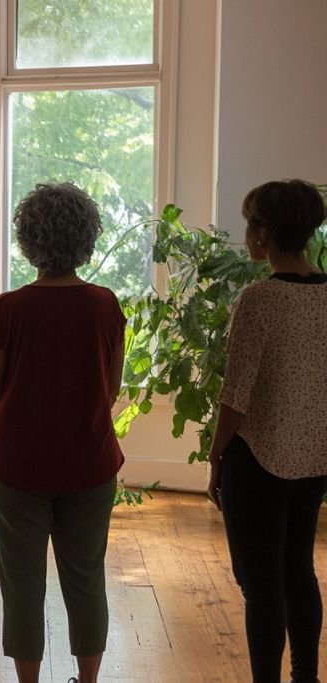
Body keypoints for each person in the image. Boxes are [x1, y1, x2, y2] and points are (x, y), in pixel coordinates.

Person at [0, 183, 125, 683]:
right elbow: (111, 388)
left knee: (22, 583)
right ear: (85, 238)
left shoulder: (7, 309)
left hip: (17, 465)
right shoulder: (106, 305)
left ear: (28, 237)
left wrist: (16, 435)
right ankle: (87, 682)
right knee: (86, 579)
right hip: (90, 461)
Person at [207, 179, 327, 683]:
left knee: (261, 586)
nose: (247, 233)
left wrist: (215, 459)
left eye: (251, 223)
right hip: (316, 458)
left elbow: (236, 396)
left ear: (265, 231)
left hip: (256, 459)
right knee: (299, 569)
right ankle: (306, 675)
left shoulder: (260, 298)